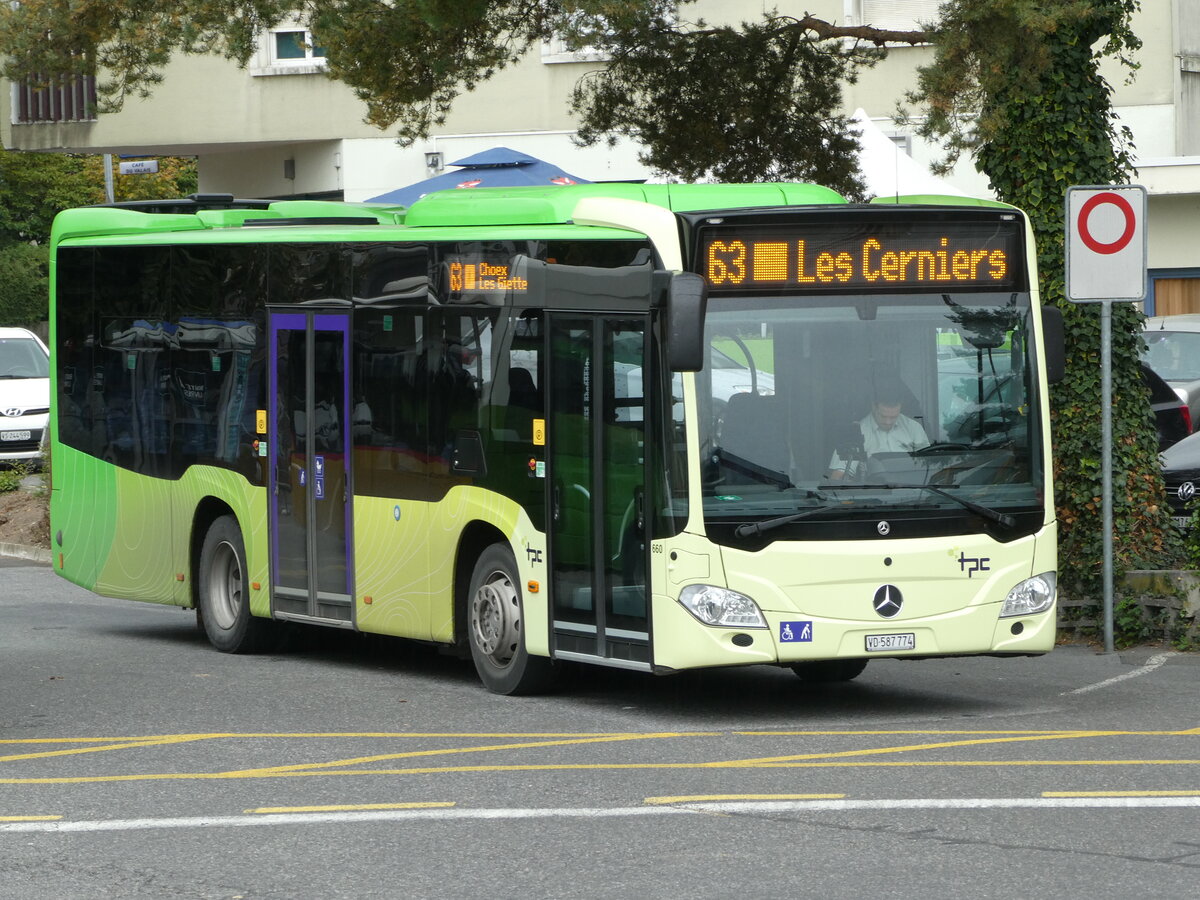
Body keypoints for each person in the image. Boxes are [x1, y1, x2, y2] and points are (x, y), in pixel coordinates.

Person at [828, 385, 929, 480]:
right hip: (874, 494)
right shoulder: (856, 433)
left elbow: (929, 467)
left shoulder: (914, 428)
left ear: (900, 407)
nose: (888, 422)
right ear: (873, 407)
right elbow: (838, 476)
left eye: (893, 417)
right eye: (883, 416)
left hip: (914, 493)